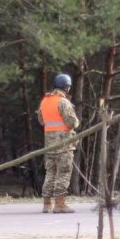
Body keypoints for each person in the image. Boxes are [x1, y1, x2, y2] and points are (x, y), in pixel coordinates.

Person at [37, 73, 81, 213]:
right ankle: (60, 205)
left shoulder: (45, 101)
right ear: (66, 87)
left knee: (50, 172)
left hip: (49, 145)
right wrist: (76, 122)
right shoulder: (63, 102)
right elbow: (72, 122)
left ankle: (47, 204)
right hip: (64, 144)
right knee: (64, 173)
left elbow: (41, 121)